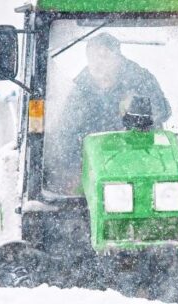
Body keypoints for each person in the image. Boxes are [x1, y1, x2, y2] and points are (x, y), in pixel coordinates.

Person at [46, 33, 171, 194]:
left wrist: (137, 104)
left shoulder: (141, 79)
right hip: (92, 164)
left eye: (104, 56)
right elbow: (64, 134)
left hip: (139, 161)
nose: (98, 63)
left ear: (118, 58)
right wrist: (69, 166)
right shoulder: (79, 88)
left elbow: (163, 111)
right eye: (92, 57)